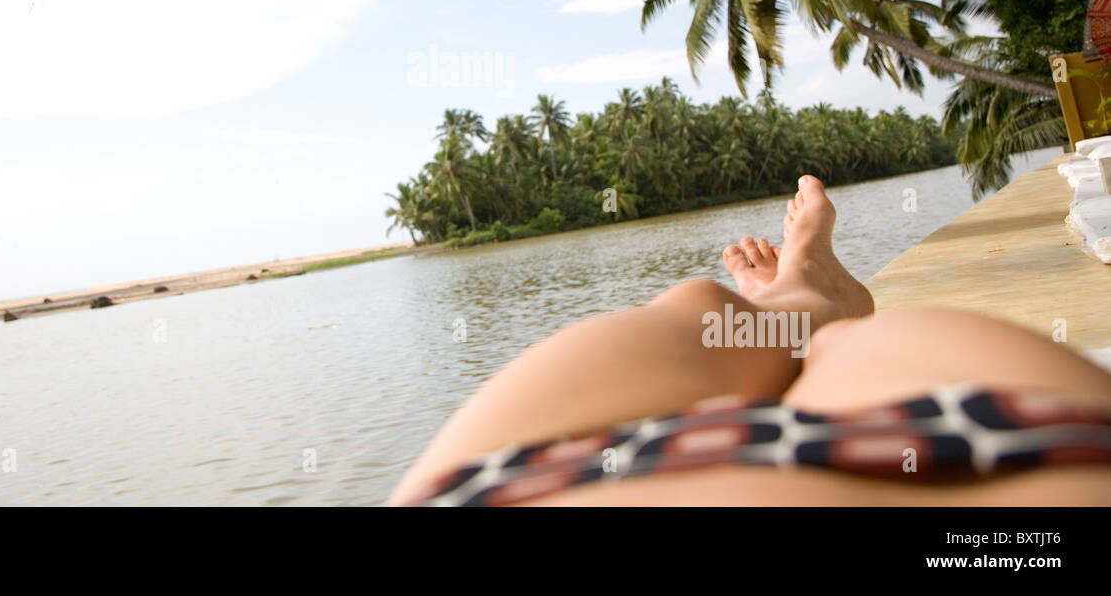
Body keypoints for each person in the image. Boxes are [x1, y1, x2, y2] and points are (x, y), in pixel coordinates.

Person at [389, 175, 1111, 505]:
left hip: (513, 486)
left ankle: (804, 295)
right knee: (832, 345)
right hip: (981, 482)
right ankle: (813, 300)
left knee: (700, 307)